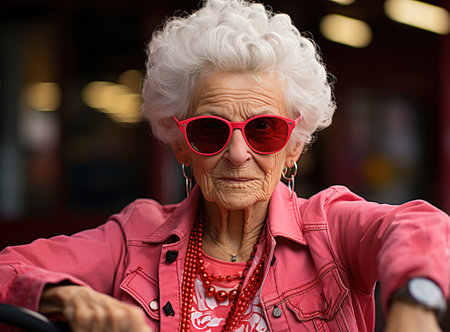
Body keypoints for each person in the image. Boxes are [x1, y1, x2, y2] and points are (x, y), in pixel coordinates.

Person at [1, 0, 449, 331]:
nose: (237, 154)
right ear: (180, 146)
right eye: (211, 131)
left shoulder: (330, 231)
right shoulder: (134, 239)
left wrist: (417, 300)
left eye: (265, 130)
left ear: (293, 147)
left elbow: (420, 227)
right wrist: (63, 295)